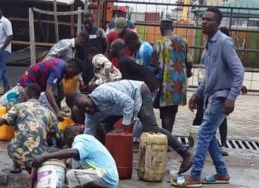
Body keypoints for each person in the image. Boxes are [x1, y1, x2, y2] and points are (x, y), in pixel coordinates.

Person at [171, 7, 245, 187]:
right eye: (203, 18)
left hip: (221, 96)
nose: (204, 21)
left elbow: (239, 71)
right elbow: (210, 76)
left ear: (218, 23)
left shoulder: (224, 42)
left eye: (209, 19)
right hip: (211, 96)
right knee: (209, 136)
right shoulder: (209, 43)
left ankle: (195, 175)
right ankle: (222, 173)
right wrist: (197, 93)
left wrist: (231, 98)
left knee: (204, 133)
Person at [74, 80, 193, 174]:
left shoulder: (102, 93)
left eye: (87, 105)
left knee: (152, 129)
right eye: (84, 109)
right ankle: (110, 163)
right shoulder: (90, 114)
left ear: (88, 96)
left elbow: (128, 102)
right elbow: (88, 135)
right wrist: (81, 156)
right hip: (120, 108)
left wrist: (125, 128)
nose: (88, 109)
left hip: (138, 92)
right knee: (106, 130)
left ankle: (186, 154)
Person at [0, 83, 61, 175]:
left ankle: (17, 165)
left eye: (24, 94)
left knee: (14, 142)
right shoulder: (48, 112)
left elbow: (2, 120)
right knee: (49, 143)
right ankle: (34, 165)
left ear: (28, 95)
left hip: (17, 152)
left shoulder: (18, 107)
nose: (23, 96)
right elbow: (58, 136)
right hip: (40, 156)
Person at [32, 126, 119, 188]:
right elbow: (70, 156)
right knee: (72, 166)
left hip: (107, 177)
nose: (67, 145)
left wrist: (45, 157)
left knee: (71, 174)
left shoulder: (81, 139)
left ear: (69, 138)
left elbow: (73, 152)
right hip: (103, 175)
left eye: (67, 142)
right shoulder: (84, 143)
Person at [151, 20, 193, 133]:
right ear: (172, 28)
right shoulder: (183, 41)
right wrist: (188, 72)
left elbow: (154, 63)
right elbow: (189, 61)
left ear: (160, 29)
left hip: (166, 81)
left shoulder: (159, 43)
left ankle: (166, 139)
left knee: (165, 112)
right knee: (173, 110)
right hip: (179, 82)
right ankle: (169, 136)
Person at [16, 58, 83, 120]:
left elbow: (58, 93)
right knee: (27, 111)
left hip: (35, 86)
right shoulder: (57, 70)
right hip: (26, 86)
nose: (72, 76)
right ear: (69, 66)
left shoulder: (62, 65)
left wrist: (58, 110)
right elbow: (48, 91)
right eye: (73, 73)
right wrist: (57, 111)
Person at [82, 13, 107, 85]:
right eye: (85, 23)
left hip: (98, 63)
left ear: (93, 21)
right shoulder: (82, 33)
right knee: (87, 83)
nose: (86, 25)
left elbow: (105, 45)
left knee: (97, 83)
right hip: (87, 64)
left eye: (88, 23)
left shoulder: (99, 31)